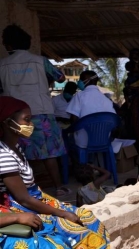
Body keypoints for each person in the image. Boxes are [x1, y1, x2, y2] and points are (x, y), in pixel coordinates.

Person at [0, 96, 110, 248]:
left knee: (87, 218)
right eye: (26, 120)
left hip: (35, 200)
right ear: (7, 122)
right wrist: (62, 213)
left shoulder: (15, 147)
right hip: (24, 205)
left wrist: (59, 209)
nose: (31, 125)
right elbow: (24, 199)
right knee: (72, 234)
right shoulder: (4, 155)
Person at [0, 24, 70, 197]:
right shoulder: (40, 61)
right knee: (49, 153)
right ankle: (59, 187)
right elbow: (61, 77)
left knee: (17, 150)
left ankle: (25, 190)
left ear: (8, 45)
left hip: (15, 114)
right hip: (42, 111)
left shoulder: (2, 64)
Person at [66, 70, 116, 148]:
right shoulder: (106, 99)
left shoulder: (79, 96)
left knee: (66, 139)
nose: (79, 82)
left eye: (81, 79)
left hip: (84, 142)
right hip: (105, 141)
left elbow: (73, 120)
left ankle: (81, 159)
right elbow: (114, 121)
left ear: (87, 81)